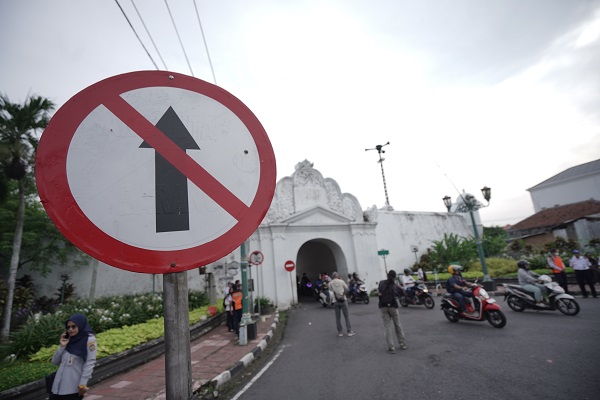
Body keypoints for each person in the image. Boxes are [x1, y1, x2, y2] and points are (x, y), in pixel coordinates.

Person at [50, 313, 97, 399]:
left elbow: (90, 363)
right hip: (57, 388)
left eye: (73, 326)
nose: (70, 329)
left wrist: (82, 385)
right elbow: (54, 361)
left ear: (80, 325)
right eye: (68, 327)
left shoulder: (89, 340)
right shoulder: (68, 340)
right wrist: (62, 346)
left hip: (73, 389)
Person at [378, 270, 408, 354]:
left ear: (387, 275)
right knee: (397, 324)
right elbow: (402, 294)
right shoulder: (395, 286)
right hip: (393, 306)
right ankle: (402, 344)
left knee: (387, 326)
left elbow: (379, 292)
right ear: (394, 277)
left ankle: (391, 347)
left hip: (383, 306)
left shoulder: (381, 283)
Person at [329, 272, 355, 337]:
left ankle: (340, 332)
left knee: (337, 317)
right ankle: (349, 331)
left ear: (332, 276)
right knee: (347, 317)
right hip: (343, 300)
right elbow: (347, 289)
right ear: (338, 276)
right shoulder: (342, 281)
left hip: (335, 301)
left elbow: (330, 290)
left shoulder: (330, 283)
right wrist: (343, 294)